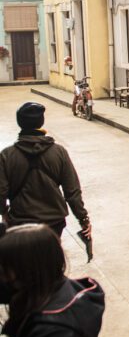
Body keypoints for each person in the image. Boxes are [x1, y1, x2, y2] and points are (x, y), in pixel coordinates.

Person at [0, 224, 105, 337]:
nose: (2, 278)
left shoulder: (50, 331)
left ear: (27, 272)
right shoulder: (60, 289)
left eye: (5, 271)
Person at [0, 102, 92, 239]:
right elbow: (72, 191)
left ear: (20, 123)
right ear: (41, 121)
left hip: (21, 221)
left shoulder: (7, 155)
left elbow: (1, 192)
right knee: (52, 252)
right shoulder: (59, 152)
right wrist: (83, 218)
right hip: (54, 222)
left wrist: (4, 213)